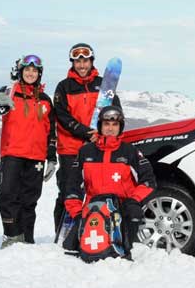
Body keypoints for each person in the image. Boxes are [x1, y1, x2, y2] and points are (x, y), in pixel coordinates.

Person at [63, 106, 155, 260]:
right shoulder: (86, 152)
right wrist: (78, 214)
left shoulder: (130, 152)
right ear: (100, 126)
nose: (110, 129)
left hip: (121, 211)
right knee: (79, 251)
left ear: (120, 127)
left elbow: (149, 181)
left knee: (120, 252)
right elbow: (72, 185)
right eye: (106, 124)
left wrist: (134, 201)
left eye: (115, 125)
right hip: (93, 212)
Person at [0, 55, 57, 248]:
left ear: (39, 74)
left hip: (36, 157)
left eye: (34, 71)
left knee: (30, 199)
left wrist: (51, 158)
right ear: (21, 72)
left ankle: (27, 237)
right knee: (8, 195)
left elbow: (51, 131)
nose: (31, 73)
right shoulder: (10, 92)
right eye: (27, 70)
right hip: (12, 153)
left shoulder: (45, 100)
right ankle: (12, 235)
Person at [52, 43, 120, 234]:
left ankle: (94, 230)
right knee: (68, 191)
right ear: (72, 63)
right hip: (70, 149)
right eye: (77, 61)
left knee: (95, 190)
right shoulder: (64, 86)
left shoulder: (102, 85)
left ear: (91, 61)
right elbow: (62, 115)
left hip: (97, 148)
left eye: (85, 60)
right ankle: (63, 233)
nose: (82, 65)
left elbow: (115, 111)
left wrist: (101, 133)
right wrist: (85, 132)